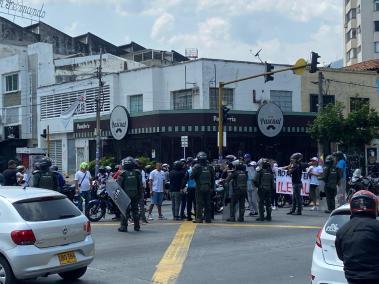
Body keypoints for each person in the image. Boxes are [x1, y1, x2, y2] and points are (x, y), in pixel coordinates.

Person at [335, 190, 379, 284]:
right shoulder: (377, 227)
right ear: (374, 207)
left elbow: (341, 256)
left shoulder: (342, 230)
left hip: (352, 278)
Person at [117, 157, 142, 232]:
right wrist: (140, 194)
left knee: (124, 211)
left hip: (125, 195)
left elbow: (119, 186)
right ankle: (137, 226)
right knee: (135, 210)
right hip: (135, 194)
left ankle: (124, 227)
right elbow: (140, 185)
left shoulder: (122, 173)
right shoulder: (137, 173)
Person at [190, 152, 215, 223]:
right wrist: (212, 188)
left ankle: (199, 218)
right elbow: (213, 178)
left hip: (199, 187)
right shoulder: (210, 167)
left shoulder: (197, 167)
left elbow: (191, 177)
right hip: (208, 187)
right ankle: (208, 219)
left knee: (199, 203)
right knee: (208, 203)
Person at [134, 159, 148, 223]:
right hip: (140, 189)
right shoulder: (141, 171)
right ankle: (143, 218)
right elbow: (143, 182)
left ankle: (135, 218)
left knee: (134, 205)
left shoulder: (131, 171)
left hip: (133, 189)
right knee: (141, 205)